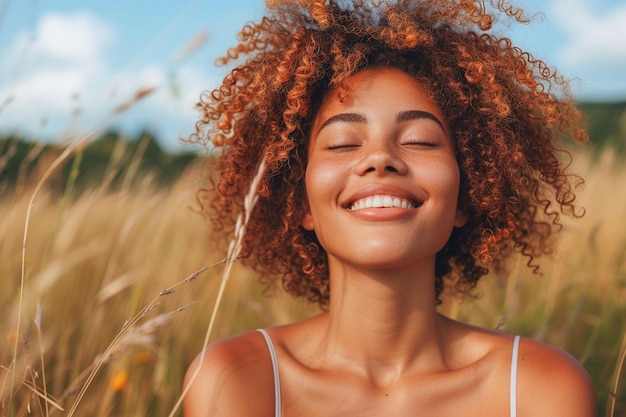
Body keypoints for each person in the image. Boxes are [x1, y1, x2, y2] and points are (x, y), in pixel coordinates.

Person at [183, 0, 597, 415]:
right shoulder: (236, 379)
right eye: (343, 143)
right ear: (300, 202)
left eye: (419, 140)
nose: (380, 158)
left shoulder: (539, 388)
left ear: (467, 194)